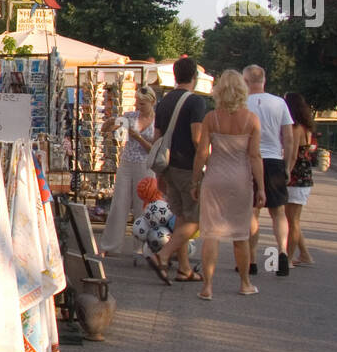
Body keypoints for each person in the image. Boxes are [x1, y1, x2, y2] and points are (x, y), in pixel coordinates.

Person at [192, 70, 264, 298]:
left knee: (210, 234)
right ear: (243, 90)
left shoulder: (211, 118)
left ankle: (207, 286)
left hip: (214, 179)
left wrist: (195, 181)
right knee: (240, 234)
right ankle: (244, 283)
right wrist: (261, 187)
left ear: (219, 91)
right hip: (240, 181)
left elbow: (203, 154)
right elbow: (255, 156)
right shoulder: (252, 120)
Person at [146, 56, 208, 284]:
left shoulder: (164, 101)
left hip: (168, 167)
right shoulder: (196, 102)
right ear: (195, 77)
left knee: (181, 218)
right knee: (196, 219)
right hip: (187, 167)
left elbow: (157, 138)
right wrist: (203, 166)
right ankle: (162, 255)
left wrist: (159, 173)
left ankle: (184, 269)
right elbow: (197, 137)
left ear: (175, 75)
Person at [243, 65, 295, 277]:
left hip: (249, 160)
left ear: (246, 81)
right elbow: (289, 138)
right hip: (274, 160)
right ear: (264, 80)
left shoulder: (243, 103)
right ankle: (282, 252)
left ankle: (252, 260)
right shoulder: (279, 103)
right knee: (279, 212)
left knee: (253, 211)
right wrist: (288, 165)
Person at [99, 87, 158, 254]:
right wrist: (110, 122)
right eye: (138, 103)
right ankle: (110, 245)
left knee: (143, 206)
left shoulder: (156, 121)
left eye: (143, 104)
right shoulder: (130, 116)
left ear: (152, 102)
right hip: (126, 163)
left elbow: (154, 149)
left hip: (145, 164)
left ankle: (141, 246)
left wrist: (138, 137)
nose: (140, 107)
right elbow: (107, 129)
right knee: (119, 203)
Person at [284, 92, 317, 266]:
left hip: (296, 176)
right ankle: (304, 254)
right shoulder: (306, 127)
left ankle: (288, 258)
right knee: (292, 219)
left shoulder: (295, 128)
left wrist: (286, 171)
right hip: (304, 175)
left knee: (293, 221)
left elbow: (294, 154)